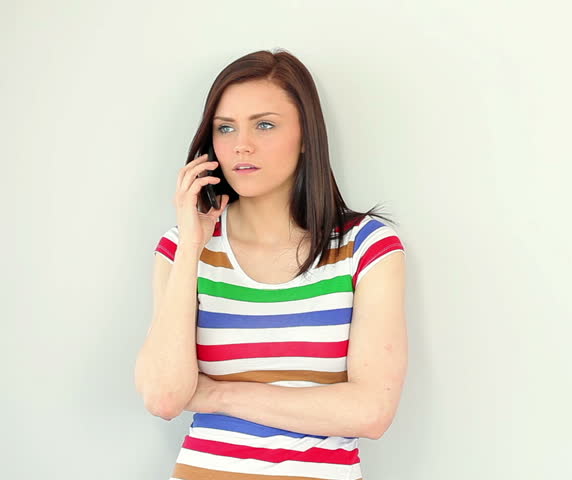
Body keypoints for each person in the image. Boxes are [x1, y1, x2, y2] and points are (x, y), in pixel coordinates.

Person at [134, 48, 407, 480]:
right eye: (225, 128)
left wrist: (217, 395)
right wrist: (191, 246)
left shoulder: (365, 246)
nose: (241, 144)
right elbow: (164, 397)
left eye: (264, 124)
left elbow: (371, 412)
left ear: (306, 136)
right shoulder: (183, 248)